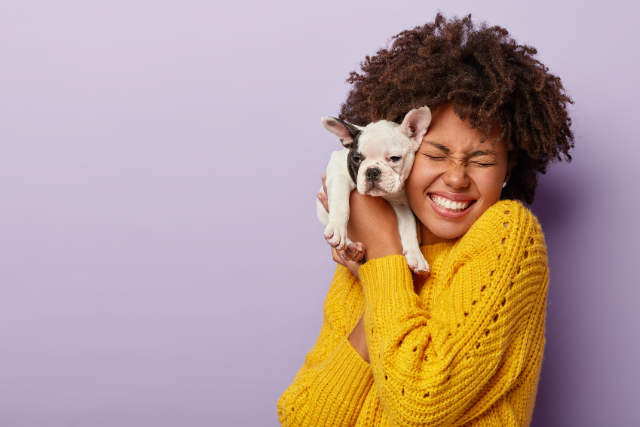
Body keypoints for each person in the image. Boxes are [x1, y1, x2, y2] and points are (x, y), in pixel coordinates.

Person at [278, 14, 573, 427]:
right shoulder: (372, 258)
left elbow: (421, 402)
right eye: (435, 154)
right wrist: (376, 274)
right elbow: (302, 417)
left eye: (483, 159)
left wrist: (382, 256)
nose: (455, 176)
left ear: (508, 172)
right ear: (407, 148)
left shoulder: (507, 233)